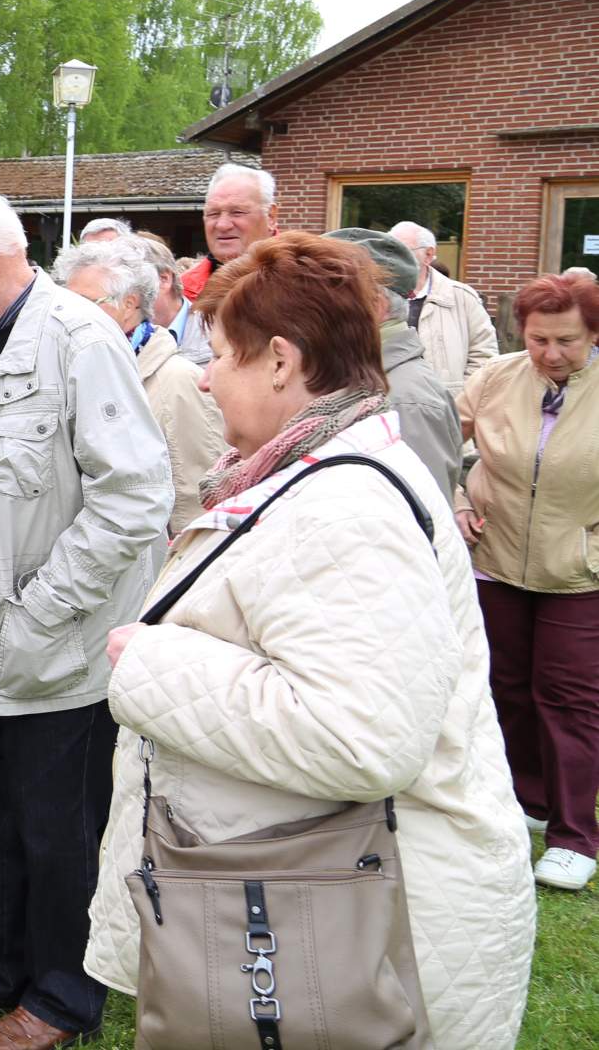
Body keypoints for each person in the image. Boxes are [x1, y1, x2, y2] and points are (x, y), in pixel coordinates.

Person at [87, 232, 535, 1048]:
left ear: (282, 362)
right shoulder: (310, 471)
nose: (202, 372)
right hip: (304, 908)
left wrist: (152, 663)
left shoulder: (345, 507)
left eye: (220, 353)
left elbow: (361, 735)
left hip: (343, 932)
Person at [0, 193, 171, 1050]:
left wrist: (39, 610)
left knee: (57, 830)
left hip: (57, 648)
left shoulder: (78, 340)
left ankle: (61, 999)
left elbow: (134, 498)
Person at [457, 271, 599, 890]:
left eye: (566, 341)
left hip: (580, 572)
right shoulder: (496, 378)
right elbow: (441, 441)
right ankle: (526, 800)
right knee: (505, 686)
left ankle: (574, 834)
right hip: (498, 558)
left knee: (569, 699)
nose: (550, 354)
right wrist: (459, 496)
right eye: (539, 340)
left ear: (593, 334)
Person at [53, 238, 224, 535]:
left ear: (129, 304)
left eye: (83, 303)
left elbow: (198, 506)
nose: (67, 315)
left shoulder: (180, 381)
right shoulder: (74, 371)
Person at [326, 227, 462, 504]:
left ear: (373, 305)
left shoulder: (406, 402)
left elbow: (419, 522)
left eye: (325, 297)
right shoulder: (365, 378)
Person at [179, 163, 279, 365]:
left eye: (237, 212)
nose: (222, 225)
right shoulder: (180, 289)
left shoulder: (307, 282)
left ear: (271, 217)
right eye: (213, 214)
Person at [389, 220, 498, 395]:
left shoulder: (462, 298)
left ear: (429, 255)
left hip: (447, 410)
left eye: (403, 250)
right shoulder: (375, 297)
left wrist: (460, 402)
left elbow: (484, 357)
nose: (394, 257)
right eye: (391, 249)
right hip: (388, 408)